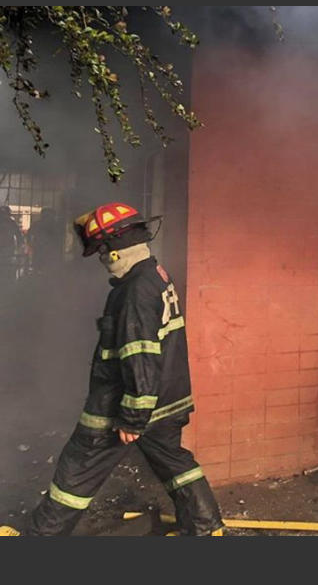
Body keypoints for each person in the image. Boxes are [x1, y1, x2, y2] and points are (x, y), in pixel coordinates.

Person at [1, 202, 224, 536]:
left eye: (102, 251)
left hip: (121, 405)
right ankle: (207, 527)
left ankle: (40, 535)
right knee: (175, 463)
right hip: (166, 400)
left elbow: (140, 355)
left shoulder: (134, 292)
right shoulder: (155, 275)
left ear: (114, 251)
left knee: (78, 465)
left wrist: (133, 417)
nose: (102, 259)